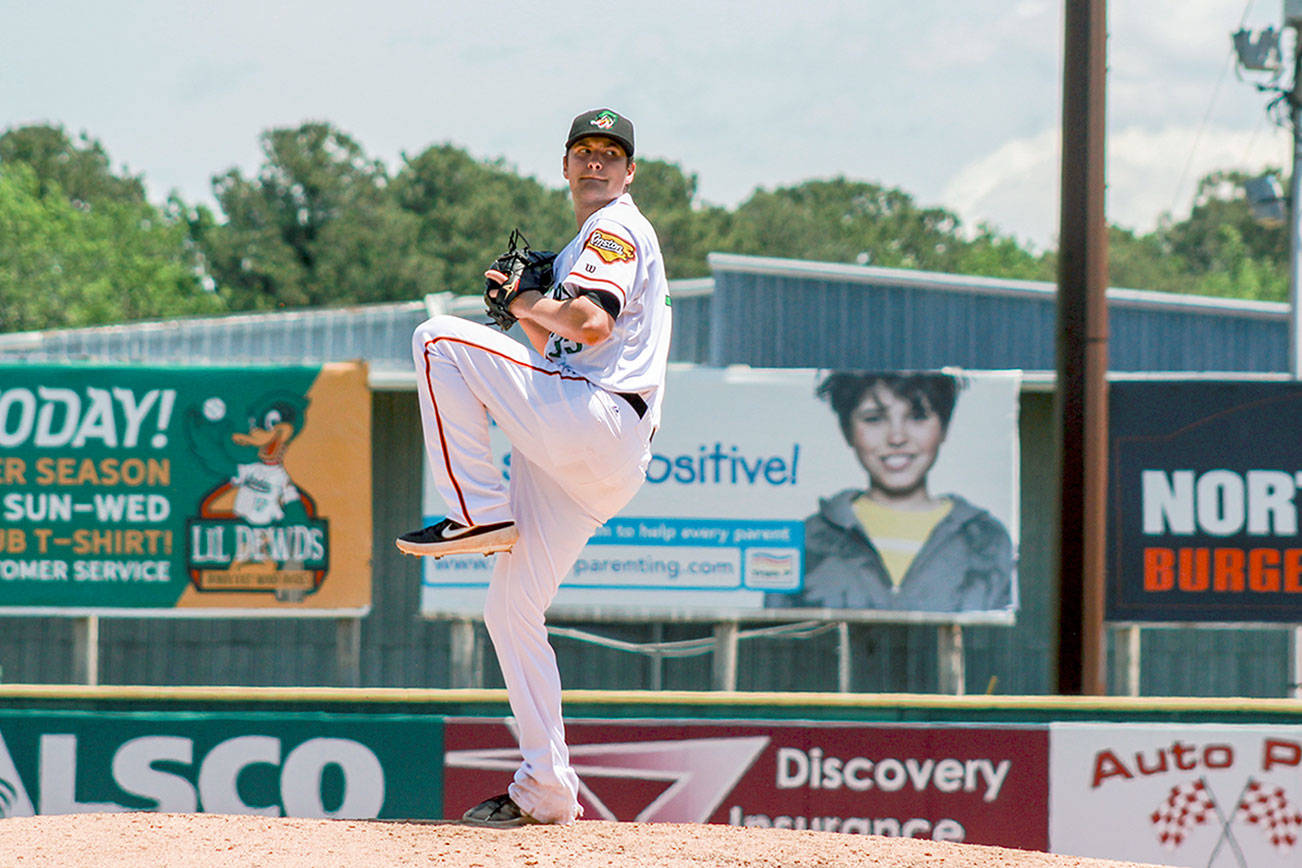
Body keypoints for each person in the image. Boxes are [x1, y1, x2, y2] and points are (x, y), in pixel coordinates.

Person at [397, 109, 671, 827]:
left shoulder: (614, 228)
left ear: (629, 171)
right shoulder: (589, 240)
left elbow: (590, 325)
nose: (596, 164)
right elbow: (558, 353)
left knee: (435, 340)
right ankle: (546, 787)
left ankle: (480, 512)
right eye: (584, 151)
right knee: (510, 608)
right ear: (565, 164)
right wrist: (526, 311)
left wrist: (522, 297)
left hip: (598, 418)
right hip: (597, 454)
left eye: (611, 154)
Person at [769, 371, 1014, 612]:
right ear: (847, 430)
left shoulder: (986, 540)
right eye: (874, 418)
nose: (897, 438)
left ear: (944, 427)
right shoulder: (808, 541)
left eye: (917, 416)